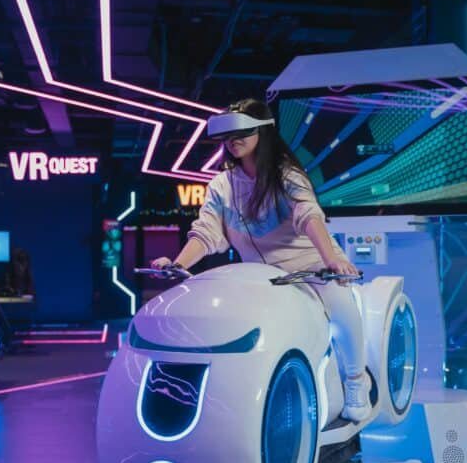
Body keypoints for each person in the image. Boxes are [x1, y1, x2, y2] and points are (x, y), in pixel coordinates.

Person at [150, 98, 372, 421]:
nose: (233, 139)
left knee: (340, 303)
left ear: (263, 132)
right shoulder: (221, 185)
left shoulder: (286, 174)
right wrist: (179, 264)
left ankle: (356, 380)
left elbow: (309, 215)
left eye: (242, 131)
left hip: (310, 267)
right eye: (227, 133)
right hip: (260, 277)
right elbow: (206, 232)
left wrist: (331, 261)